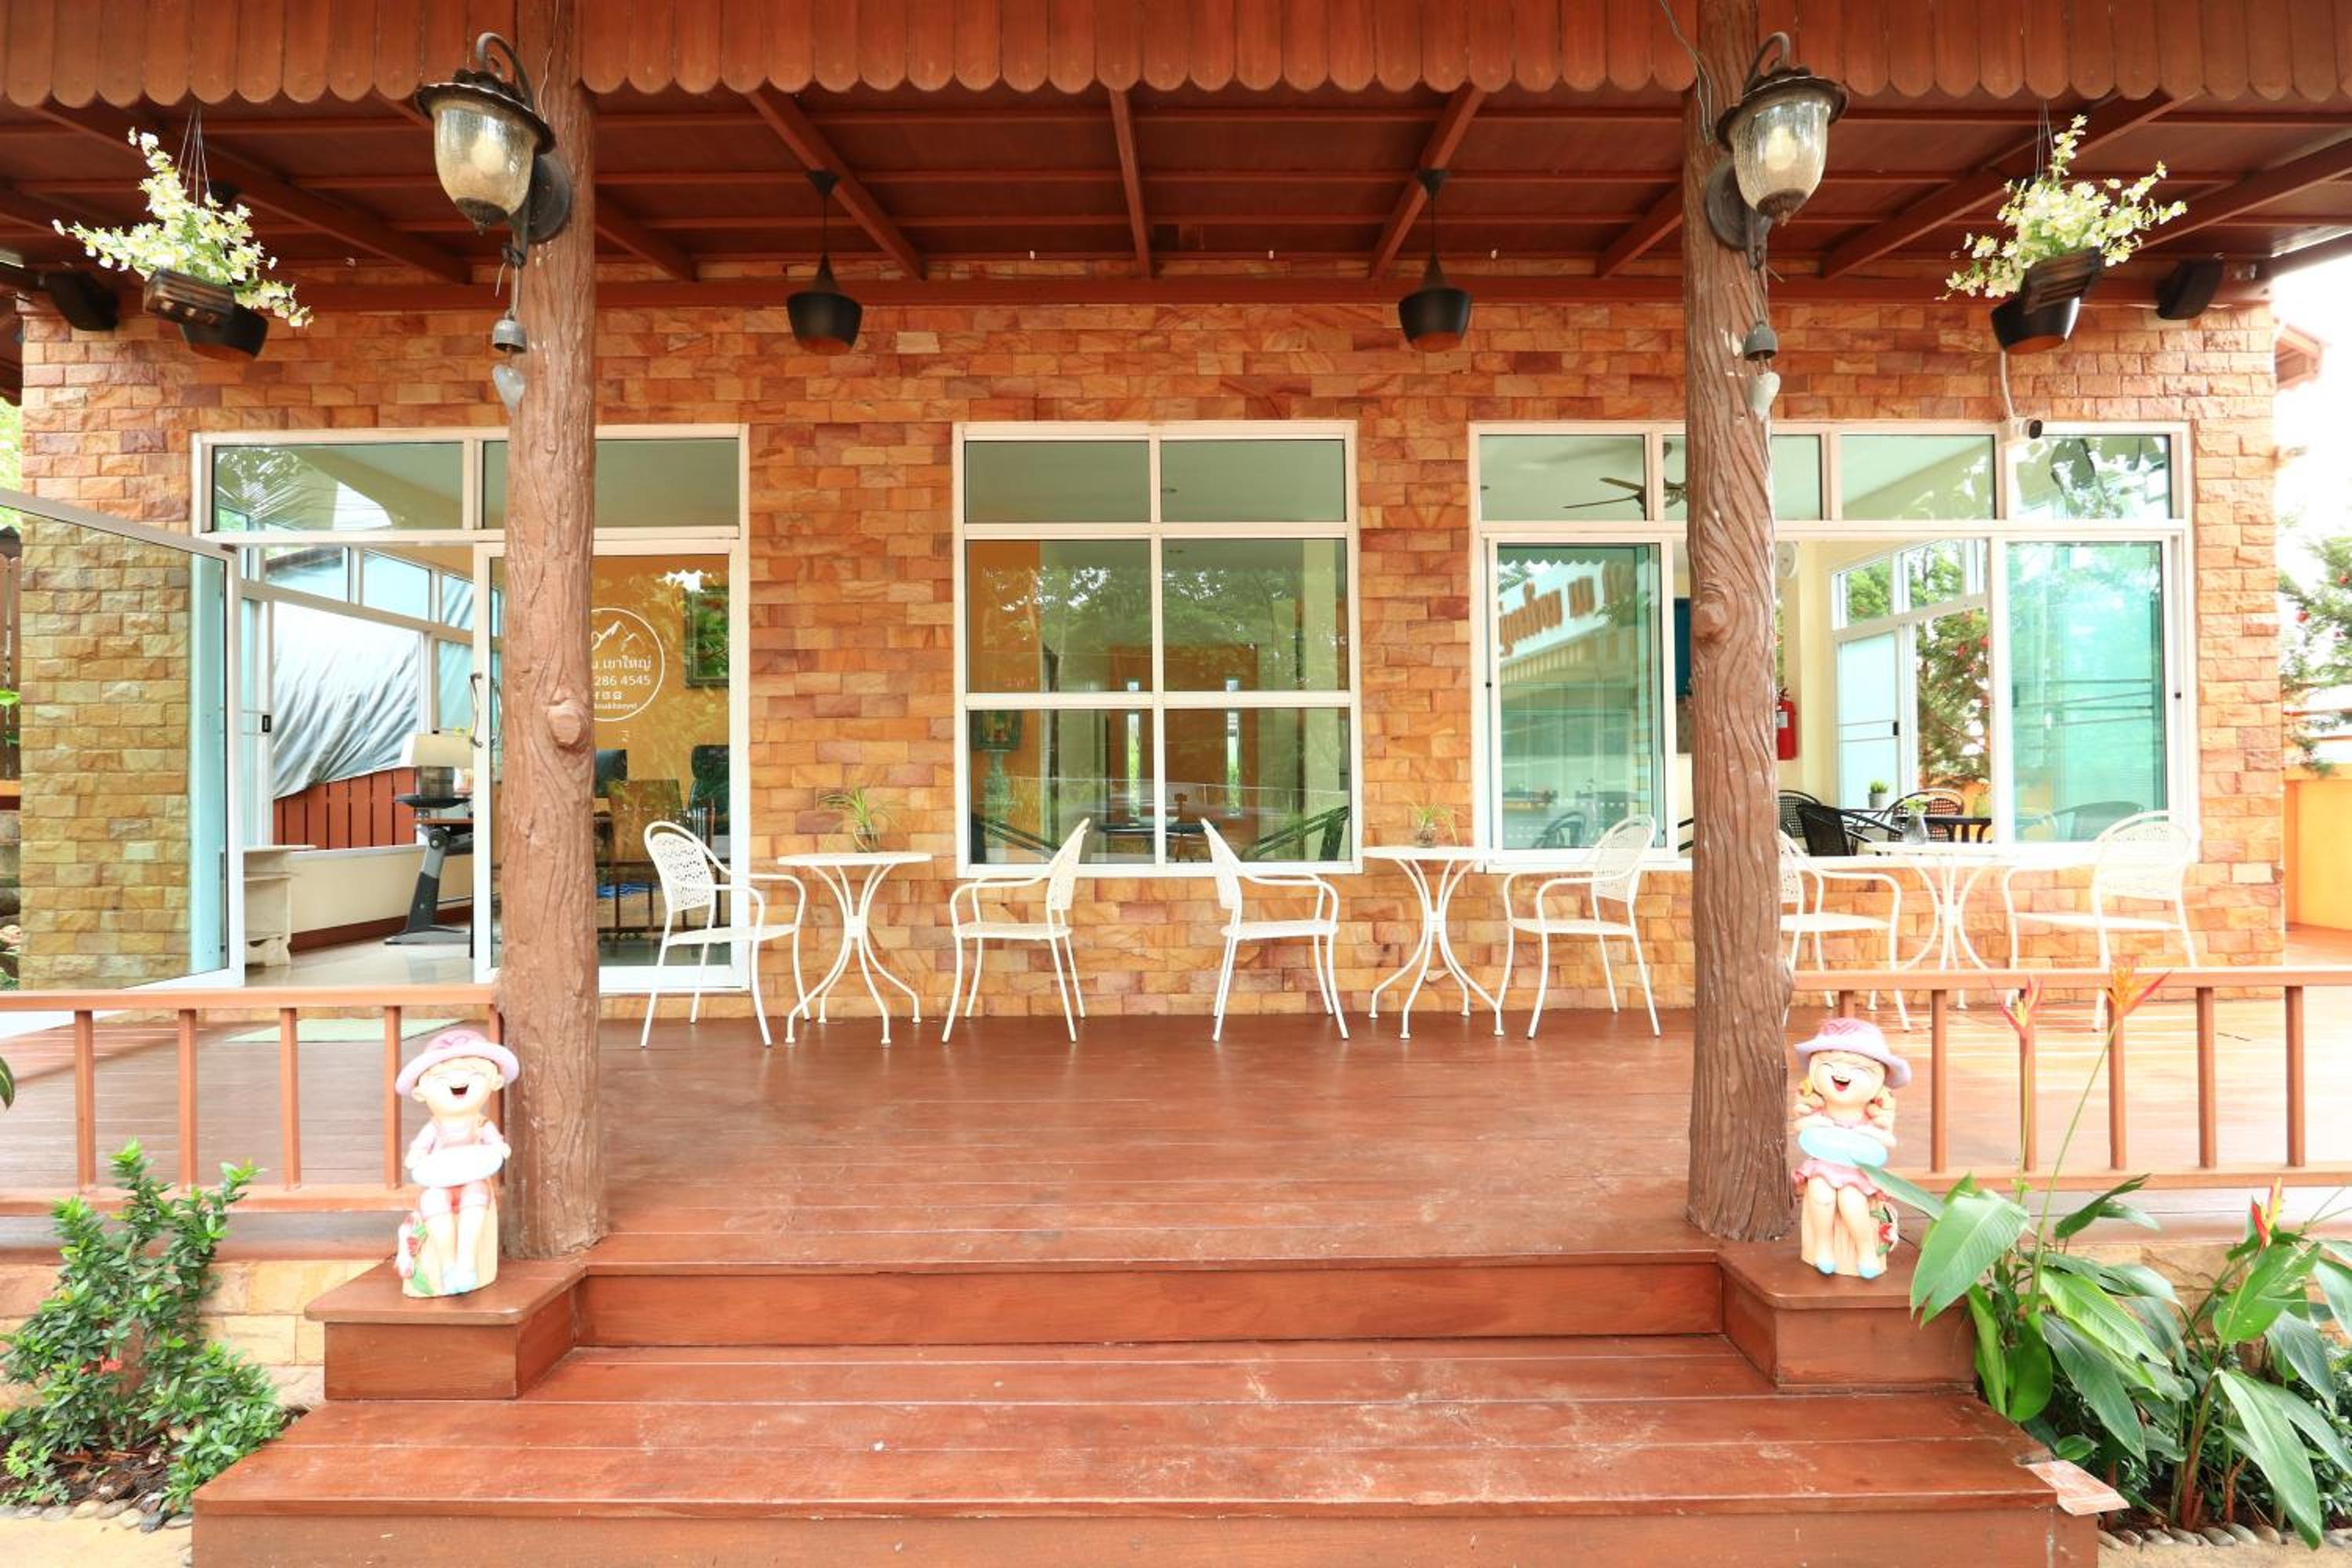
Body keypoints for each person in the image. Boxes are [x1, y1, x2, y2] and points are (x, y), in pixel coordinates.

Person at [1791, 1017, 1910, 1279]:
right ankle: (1823, 1246)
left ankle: (1865, 1250)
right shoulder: (1821, 1109)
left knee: (1851, 1199)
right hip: (1823, 1165)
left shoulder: (1870, 1114)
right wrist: (1816, 1122)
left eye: (1857, 1068)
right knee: (1820, 1193)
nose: (1841, 1074)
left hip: (1856, 1171)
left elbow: (1887, 1141)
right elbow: (1802, 1126)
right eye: (1830, 1064)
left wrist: (1868, 1132)